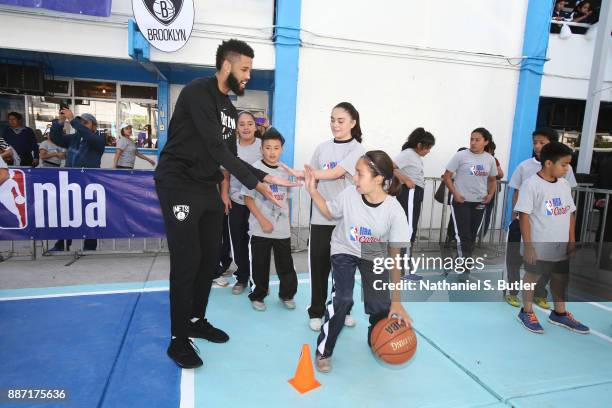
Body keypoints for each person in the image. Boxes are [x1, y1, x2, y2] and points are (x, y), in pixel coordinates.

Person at [154, 39, 298, 369]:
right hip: (178, 183)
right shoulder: (196, 92)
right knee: (188, 260)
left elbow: (229, 158)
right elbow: (216, 150)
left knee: (208, 261)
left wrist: (268, 177)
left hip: (206, 186)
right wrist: (260, 184)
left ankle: (196, 320)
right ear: (226, 65)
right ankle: (178, 338)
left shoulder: (230, 111)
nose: (248, 75)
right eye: (245, 68)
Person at [304, 150, 412, 373]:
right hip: (343, 248)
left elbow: (394, 258)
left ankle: (377, 339)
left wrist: (397, 301)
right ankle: (324, 350)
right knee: (342, 299)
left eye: (359, 174)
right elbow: (329, 212)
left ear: (378, 178)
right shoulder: (349, 195)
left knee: (382, 304)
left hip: (372, 251)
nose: (354, 178)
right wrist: (313, 191)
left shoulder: (394, 211)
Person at [515, 142, 589, 335]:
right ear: (548, 163)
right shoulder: (531, 184)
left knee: (560, 278)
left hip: (560, 244)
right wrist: (529, 246)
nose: (567, 169)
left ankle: (559, 313)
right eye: (564, 165)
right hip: (539, 243)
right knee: (533, 276)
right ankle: (527, 311)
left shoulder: (564, 185)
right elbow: (524, 216)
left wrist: (571, 239)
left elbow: (570, 213)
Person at [305, 102, 365, 332]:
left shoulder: (358, 150)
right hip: (321, 217)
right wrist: (309, 179)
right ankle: (316, 311)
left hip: (346, 220)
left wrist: (306, 173)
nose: (335, 125)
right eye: (332, 119)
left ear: (352, 123)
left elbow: (337, 172)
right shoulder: (321, 149)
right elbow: (316, 181)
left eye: (340, 121)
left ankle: (341, 310)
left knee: (343, 271)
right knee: (319, 267)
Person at [504, 127, 577, 308]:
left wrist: (571, 238)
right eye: (535, 142)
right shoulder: (526, 169)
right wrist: (516, 214)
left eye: (541, 142)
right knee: (516, 259)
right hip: (528, 223)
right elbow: (517, 192)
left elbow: (568, 207)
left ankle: (541, 295)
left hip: (552, 232)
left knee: (548, 266)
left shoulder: (564, 176)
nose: (537, 146)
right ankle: (513, 292)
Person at [241, 128, 298, 311]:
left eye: (276, 148)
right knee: (259, 265)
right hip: (260, 228)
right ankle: (258, 295)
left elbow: (286, 198)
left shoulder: (285, 170)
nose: (272, 152)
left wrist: (287, 222)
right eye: (268, 147)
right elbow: (247, 198)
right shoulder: (254, 169)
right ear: (261, 149)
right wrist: (262, 220)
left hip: (281, 229)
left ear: (281, 149)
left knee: (286, 265)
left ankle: (287, 294)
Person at [443, 128, 498, 281]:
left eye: (477, 140)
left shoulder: (489, 159)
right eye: (471, 139)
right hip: (461, 202)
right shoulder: (460, 156)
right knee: (463, 235)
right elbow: (446, 176)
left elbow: (493, 180)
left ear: (486, 142)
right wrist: (455, 193)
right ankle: (464, 267)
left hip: (479, 203)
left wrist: (490, 195)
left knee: (472, 236)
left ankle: (462, 262)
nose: (473, 142)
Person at [49, 108, 105, 252]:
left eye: (85, 123)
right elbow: (56, 138)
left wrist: (73, 120)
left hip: (88, 183)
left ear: (94, 126)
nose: (81, 125)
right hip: (70, 182)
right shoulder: (74, 138)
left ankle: (90, 246)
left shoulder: (97, 139)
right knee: (67, 214)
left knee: (90, 215)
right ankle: (61, 244)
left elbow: (88, 136)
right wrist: (60, 122)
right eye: (80, 122)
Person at [227, 111, 264, 294]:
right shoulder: (230, 146)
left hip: (258, 202)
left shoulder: (262, 146)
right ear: (236, 128)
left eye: (250, 123)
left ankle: (258, 281)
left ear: (256, 127)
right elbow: (224, 173)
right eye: (242, 124)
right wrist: (224, 195)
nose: (246, 127)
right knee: (238, 241)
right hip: (236, 200)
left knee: (257, 243)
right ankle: (242, 278)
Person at [393, 128, 436, 280]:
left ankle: (404, 268)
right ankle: (405, 271)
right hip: (409, 193)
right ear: (419, 145)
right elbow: (391, 166)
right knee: (409, 230)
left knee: (410, 229)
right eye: (428, 148)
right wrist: (406, 179)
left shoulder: (414, 156)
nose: (428, 151)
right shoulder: (408, 154)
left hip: (414, 194)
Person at [482, 140, 504, 237]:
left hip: (490, 190)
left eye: (492, 151)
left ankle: (481, 235)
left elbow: (500, 174)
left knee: (487, 213)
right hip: (477, 190)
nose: (491, 153)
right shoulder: (474, 159)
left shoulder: (494, 160)